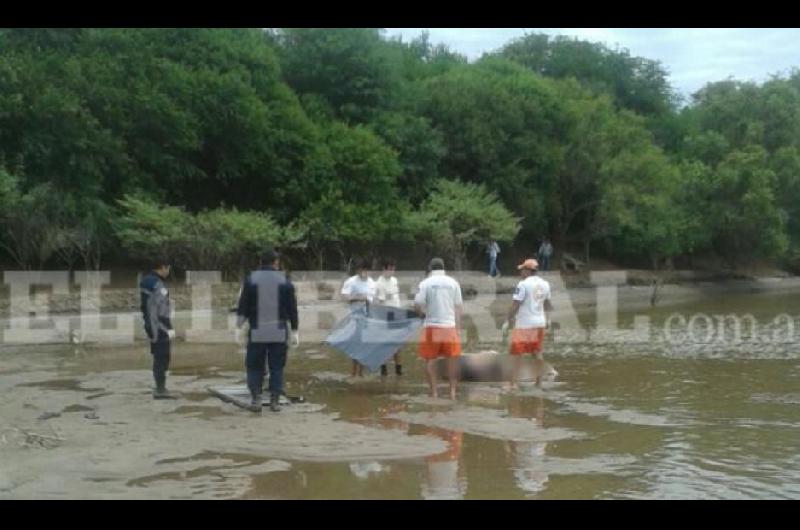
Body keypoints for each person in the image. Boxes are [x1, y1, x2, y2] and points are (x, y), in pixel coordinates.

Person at [236, 249, 299, 413]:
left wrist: (239, 327)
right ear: (276, 262)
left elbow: (243, 306)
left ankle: (256, 399)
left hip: (257, 327)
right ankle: (274, 401)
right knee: (276, 366)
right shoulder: (285, 281)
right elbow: (292, 308)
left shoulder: (250, 280)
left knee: (255, 365)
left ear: (260, 262)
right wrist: (295, 329)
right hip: (278, 328)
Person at [414, 257, 463, 399]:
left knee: (430, 360)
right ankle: (452, 393)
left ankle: (434, 393)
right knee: (452, 360)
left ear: (430, 268)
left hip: (431, 326)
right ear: (443, 268)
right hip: (449, 326)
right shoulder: (453, 283)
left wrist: (422, 314)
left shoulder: (425, 283)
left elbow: (417, 304)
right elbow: (458, 307)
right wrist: (458, 329)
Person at [501, 258, 553, 389]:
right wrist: (548, 319)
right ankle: (539, 383)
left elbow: (515, 305)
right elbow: (547, 304)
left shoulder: (523, 284)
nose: (520, 272)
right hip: (539, 323)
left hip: (524, 325)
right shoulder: (545, 284)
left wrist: (507, 321)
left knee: (515, 355)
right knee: (537, 352)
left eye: (522, 270)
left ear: (528, 270)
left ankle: (512, 384)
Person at [139, 258, 177, 399]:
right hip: (159, 326)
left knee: (159, 355)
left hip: (151, 324)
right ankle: (160, 390)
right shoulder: (156, 283)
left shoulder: (147, 280)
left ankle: (160, 387)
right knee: (162, 356)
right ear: (163, 267)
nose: (168, 272)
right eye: (168, 269)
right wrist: (169, 327)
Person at [341, 259, 377, 378]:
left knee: (364, 345)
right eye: (362, 269)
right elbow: (344, 297)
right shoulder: (351, 281)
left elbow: (372, 299)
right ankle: (353, 373)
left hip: (367, 318)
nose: (364, 272)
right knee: (356, 345)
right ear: (357, 270)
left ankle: (360, 373)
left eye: (366, 269)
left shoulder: (372, 282)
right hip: (354, 318)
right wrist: (357, 297)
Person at [375, 258, 403, 377]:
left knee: (397, 344)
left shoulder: (394, 280)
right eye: (390, 269)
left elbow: (396, 299)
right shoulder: (379, 283)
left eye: (393, 269)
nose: (392, 271)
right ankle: (384, 369)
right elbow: (381, 302)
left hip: (397, 314)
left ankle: (398, 369)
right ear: (384, 269)